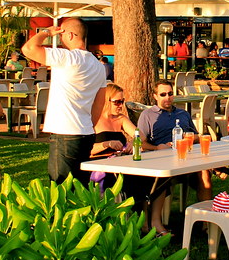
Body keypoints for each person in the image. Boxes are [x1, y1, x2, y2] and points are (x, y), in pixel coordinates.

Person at [21, 17, 107, 185]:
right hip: (86, 133)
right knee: (80, 187)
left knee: (61, 188)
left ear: (71, 35)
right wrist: (88, 125)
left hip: (65, 132)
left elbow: (28, 48)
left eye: (61, 34)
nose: (59, 39)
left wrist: (47, 32)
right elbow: (99, 102)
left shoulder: (67, 58)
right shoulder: (98, 66)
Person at [136, 80, 212, 235]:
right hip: (163, 160)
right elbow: (141, 143)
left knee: (204, 172)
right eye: (163, 94)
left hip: (187, 158)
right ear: (155, 96)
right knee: (163, 176)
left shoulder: (182, 114)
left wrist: (189, 137)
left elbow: (196, 135)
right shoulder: (148, 115)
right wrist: (157, 147)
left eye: (170, 94)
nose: (167, 98)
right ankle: (155, 222)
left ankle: (206, 222)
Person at [91, 84, 136, 157]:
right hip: (98, 162)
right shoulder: (93, 119)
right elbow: (85, 148)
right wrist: (107, 144)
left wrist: (133, 142)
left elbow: (140, 135)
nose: (121, 105)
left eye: (122, 101)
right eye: (117, 102)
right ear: (106, 100)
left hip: (119, 160)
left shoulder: (121, 119)